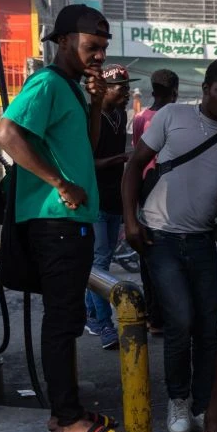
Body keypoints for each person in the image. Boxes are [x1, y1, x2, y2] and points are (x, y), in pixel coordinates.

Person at [0, 3, 125, 432]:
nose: (100, 57)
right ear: (65, 40)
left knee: (66, 320)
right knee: (61, 321)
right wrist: (60, 183)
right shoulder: (48, 82)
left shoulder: (69, 89)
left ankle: (67, 411)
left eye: (104, 49)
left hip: (70, 221)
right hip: (56, 221)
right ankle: (66, 418)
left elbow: (86, 147)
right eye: (92, 46)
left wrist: (94, 104)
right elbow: (6, 133)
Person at [122, 60, 217, 432]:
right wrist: (131, 221)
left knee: (208, 330)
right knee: (180, 321)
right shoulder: (172, 116)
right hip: (160, 238)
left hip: (201, 241)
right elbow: (134, 167)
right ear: (206, 89)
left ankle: (202, 406)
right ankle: (177, 401)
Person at [84, 64, 139, 350]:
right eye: (122, 87)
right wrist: (119, 160)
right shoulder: (92, 117)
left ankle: (92, 314)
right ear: (104, 89)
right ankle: (103, 324)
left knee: (99, 261)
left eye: (128, 87)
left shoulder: (120, 113)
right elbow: (85, 163)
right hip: (94, 200)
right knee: (100, 262)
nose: (127, 93)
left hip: (115, 198)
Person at [129, 68, 179, 334]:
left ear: (152, 90)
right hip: (166, 189)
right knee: (169, 251)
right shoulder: (173, 118)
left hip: (143, 188)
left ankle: (153, 316)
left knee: (148, 252)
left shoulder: (140, 118)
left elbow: (138, 154)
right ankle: (167, 313)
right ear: (175, 92)